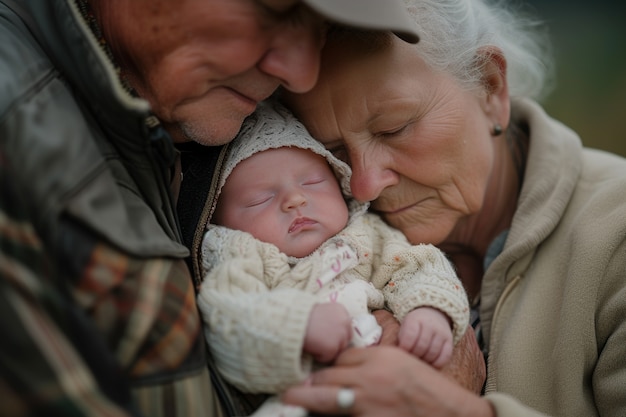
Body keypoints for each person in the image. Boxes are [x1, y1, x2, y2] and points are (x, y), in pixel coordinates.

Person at [0, 1, 423, 416]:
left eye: (322, 30)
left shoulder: (181, 113)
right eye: (275, 10)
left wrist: (428, 362)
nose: (300, 75)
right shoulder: (15, 125)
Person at [278, 0, 626, 416]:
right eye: (333, 152)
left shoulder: (615, 231)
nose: (364, 184)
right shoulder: (318, 232)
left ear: (490, 86)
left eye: (394, 128)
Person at [196, 100, 470, 416]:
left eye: (313, 182)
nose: (295, 199)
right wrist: (297, 328)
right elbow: (228, 319)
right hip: (302, 399)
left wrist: (429, 310)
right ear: (220, 220)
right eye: (260, 199)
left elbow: (418, 264)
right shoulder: (239, 256)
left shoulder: (366, 235)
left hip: (395, 384)